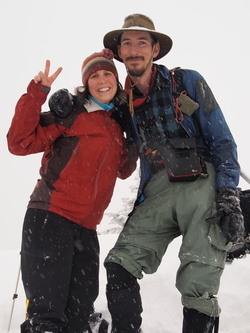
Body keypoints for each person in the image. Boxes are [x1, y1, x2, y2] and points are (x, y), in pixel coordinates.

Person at [102, 13, 245, 332]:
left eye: (142, 42)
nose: (134, 49)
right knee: (119, 263)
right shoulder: (125, 103)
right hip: (156, 191)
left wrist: (228, 195)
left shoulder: (188, 81)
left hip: (201, 184)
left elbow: (222, 140)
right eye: (127, 43)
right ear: (120, 52)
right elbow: (92, 99)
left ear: (155, 50)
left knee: (198, 286)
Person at [7, 48, 137, 333]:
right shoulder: (71, 113)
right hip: (50, 218)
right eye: (95, 76)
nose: (102, 80)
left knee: (78, 317)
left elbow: (124, 170)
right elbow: (19, 143)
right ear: (85, 83)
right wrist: (37, 92)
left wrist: (133, 137)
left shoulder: (116, 126)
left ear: (116, 81)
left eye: (108, 74)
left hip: (87, 230)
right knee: (48, 318)